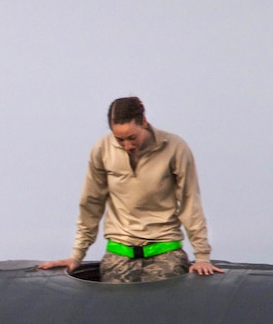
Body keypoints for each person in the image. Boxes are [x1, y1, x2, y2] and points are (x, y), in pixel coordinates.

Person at [38, 96, 223, 282]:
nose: (128, 146)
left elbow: (190, 202)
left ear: (144, 121)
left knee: (162, 308)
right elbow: (91, 204)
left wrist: (202, 256)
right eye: (120, 140)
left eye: (132, 137)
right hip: (119, 254)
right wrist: (77, 255)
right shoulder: (102, 149)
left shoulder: (175, 147)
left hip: (165, 252)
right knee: (118, 309)